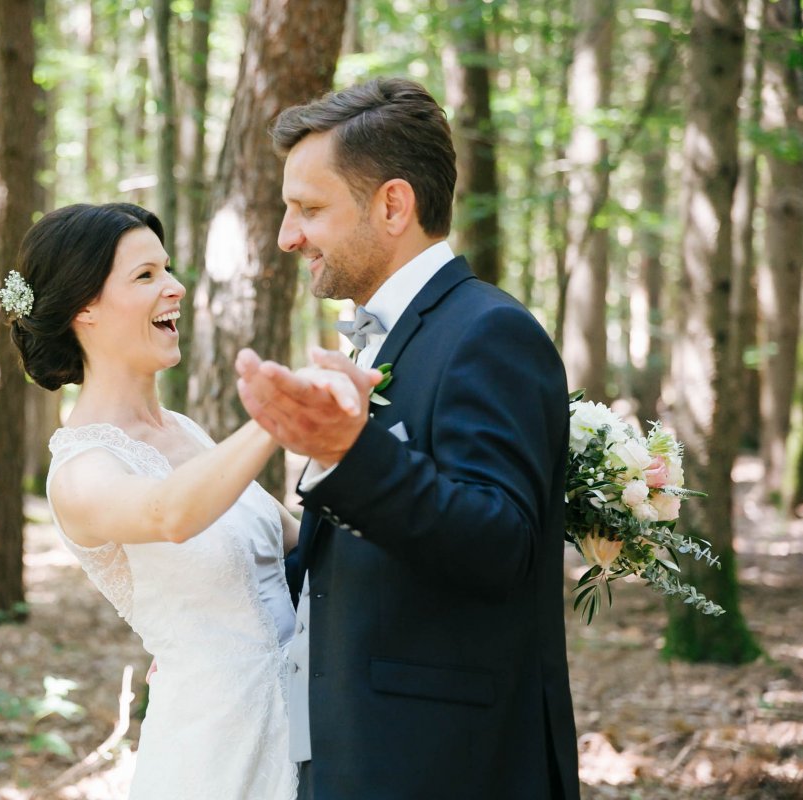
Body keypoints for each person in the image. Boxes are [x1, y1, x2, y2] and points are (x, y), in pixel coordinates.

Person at [236, 78, 581, 799]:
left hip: (438, 764)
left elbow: (502, 543)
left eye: (309, 209)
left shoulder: (489, 332)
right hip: (346, 747)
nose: (286, 236)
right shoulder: (380, 336)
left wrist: (349, 454)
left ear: (392, 204)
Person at [6, 202, 362, 799]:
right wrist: (281, 412)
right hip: (213, 751)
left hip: (306, 727)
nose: (174, 288)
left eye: (166, 269)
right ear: (84, 307)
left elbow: (301, 539)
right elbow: (167, 515)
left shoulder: (185, 432)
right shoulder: (79, 471)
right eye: (145, 276)